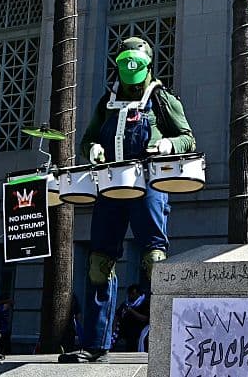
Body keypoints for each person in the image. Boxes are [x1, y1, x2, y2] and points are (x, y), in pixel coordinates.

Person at [60, 36, 195, 363]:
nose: (130, 76)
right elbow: (90, 137)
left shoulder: (161, 99)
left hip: (149, 185)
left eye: (136, 68)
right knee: (98, 264)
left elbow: (187, 138)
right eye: (125, 68)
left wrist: (168, 147)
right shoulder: (107, 101)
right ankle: (95, 344)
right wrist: (91, 148)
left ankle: (165, 338)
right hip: (110, 186)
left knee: (155, 261)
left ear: (147, 66)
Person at [111, 284, 150, 352]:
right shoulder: (126, 303)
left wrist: (131, 311)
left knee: (132, 337)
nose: (130, 296)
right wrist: (114, 327)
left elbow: (145, 318)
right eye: (129, 294)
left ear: (138, 294)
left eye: (133, 294)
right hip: (125, 327)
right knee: (115, 333)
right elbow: (117, 316)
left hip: (139, 328)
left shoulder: (144, 303)